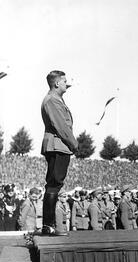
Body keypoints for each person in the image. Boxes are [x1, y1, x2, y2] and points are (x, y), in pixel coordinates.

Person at [41, 70, 78, 236]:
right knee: (54, 184)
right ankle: (48, 226)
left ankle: (49, 225)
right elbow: (61, 126)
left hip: (59, 145)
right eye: (64, 82)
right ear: (56, 83)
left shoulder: (54, 99)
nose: (66, 85)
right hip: (58, 145)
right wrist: (74, 144)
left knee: (55, 184)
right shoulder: (53, 100)